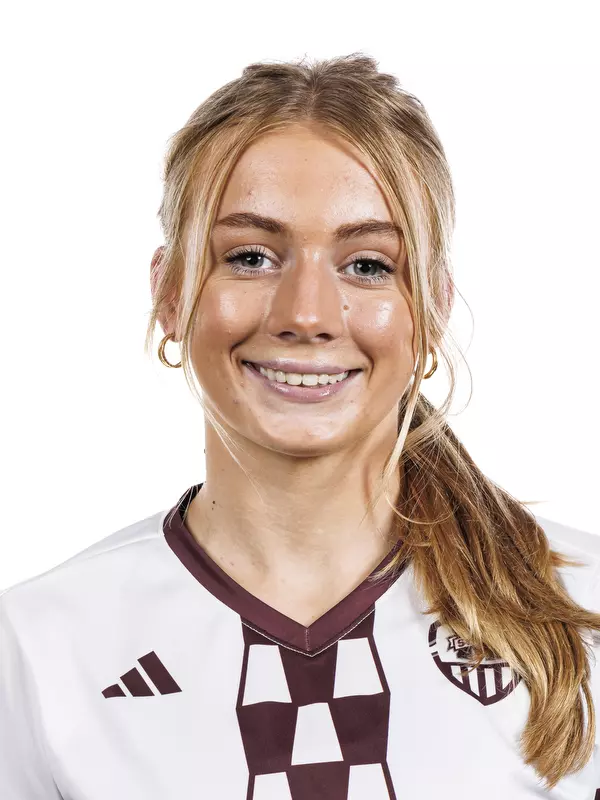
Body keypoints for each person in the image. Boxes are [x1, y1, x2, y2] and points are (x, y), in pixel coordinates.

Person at [1, 52, 599, 800]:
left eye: (369, 265)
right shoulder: (40, 647)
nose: (307, 314)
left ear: (436, 306)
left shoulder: (586, 614)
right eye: (250, 256)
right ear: (170, 293)